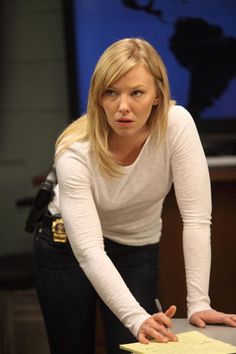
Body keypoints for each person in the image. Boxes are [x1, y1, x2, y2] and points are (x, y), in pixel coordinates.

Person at [33, 38, 236, 354]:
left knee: (134, 346)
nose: (122, 106)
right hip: (66, 246)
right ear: (98, 97)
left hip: (135, 242)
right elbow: (88, 250)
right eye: (111, 92)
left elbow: (196, 218)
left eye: (136, 93)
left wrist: (198, 303)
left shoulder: (177, 125)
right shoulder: (74, 150)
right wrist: (136, 317)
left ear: (157, 96)